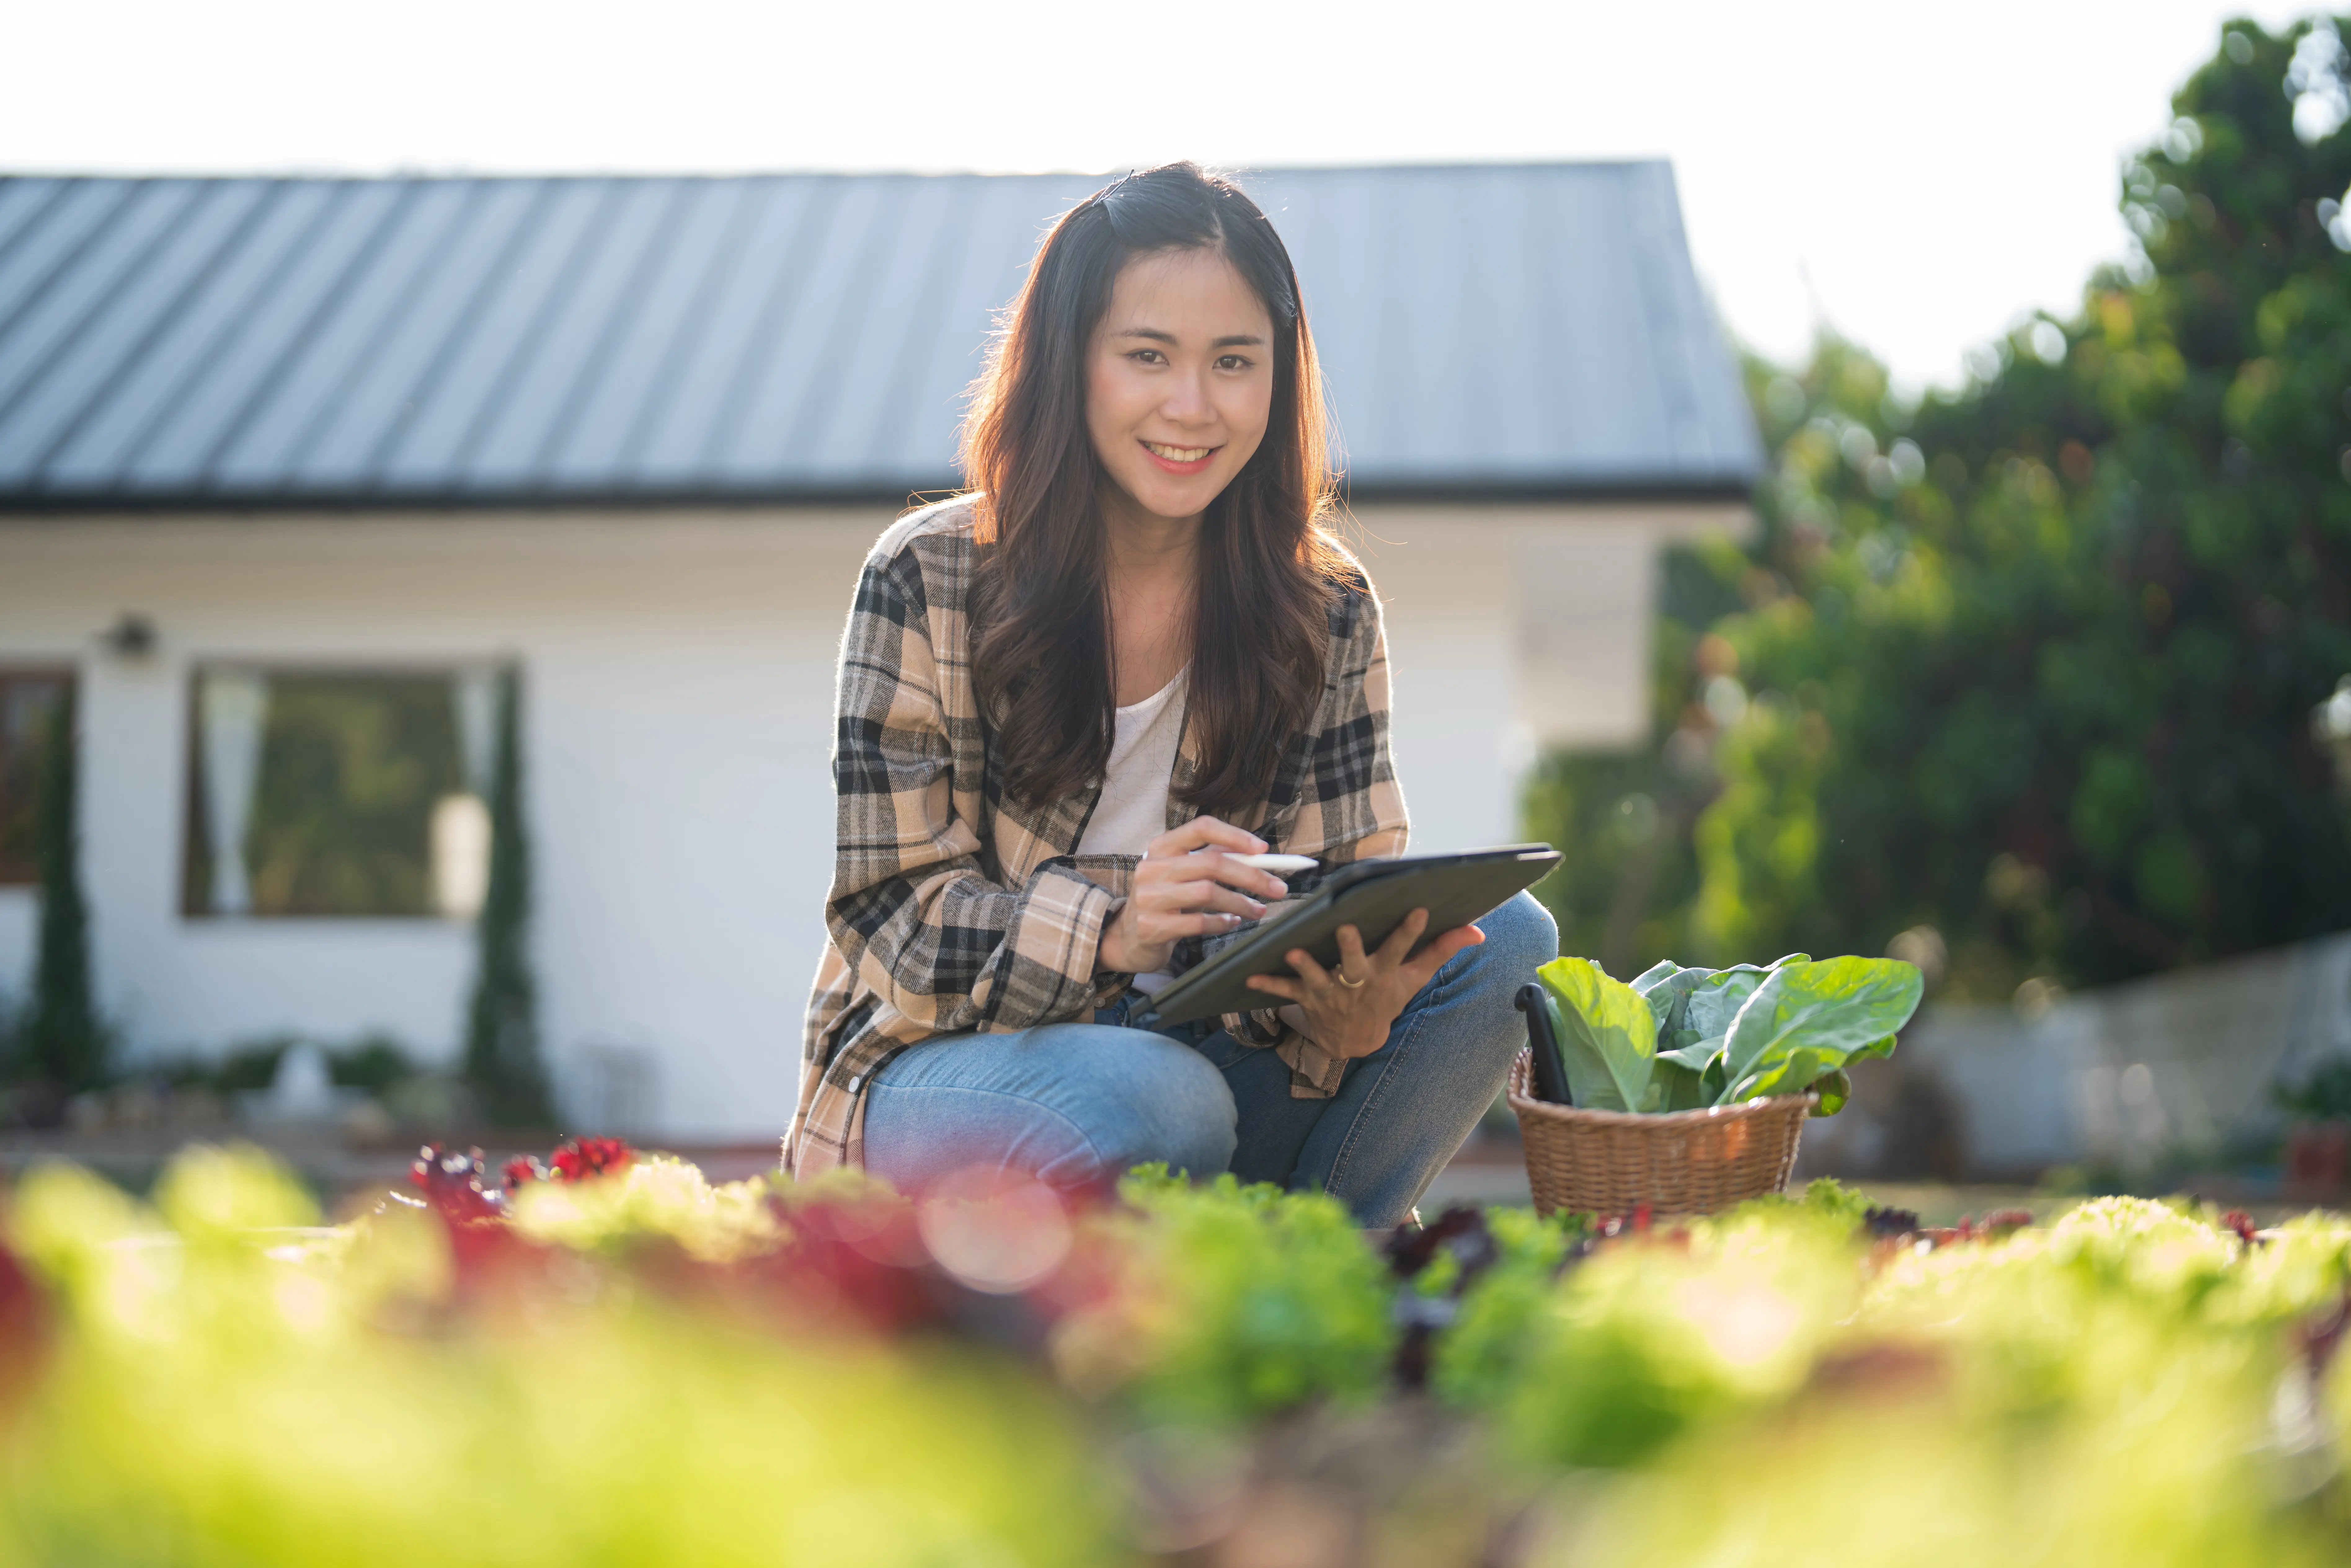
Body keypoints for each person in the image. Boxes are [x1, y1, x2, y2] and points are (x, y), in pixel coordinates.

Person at [787, 162, 1555, 1226]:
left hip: (1211, 1062)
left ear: (1278, 379)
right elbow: (894, 924)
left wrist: (1352, 1006)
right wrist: (1110, 927)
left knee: (1510, 943)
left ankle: (1315, 1269)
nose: (1192, 408)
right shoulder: (928, 575)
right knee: (1154, 1096)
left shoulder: (1321, 606)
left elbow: (1348, 892)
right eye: (1147, 355)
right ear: (1072, 363)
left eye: (1234, 362)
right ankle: (1212, 1287)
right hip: (948, 1073)